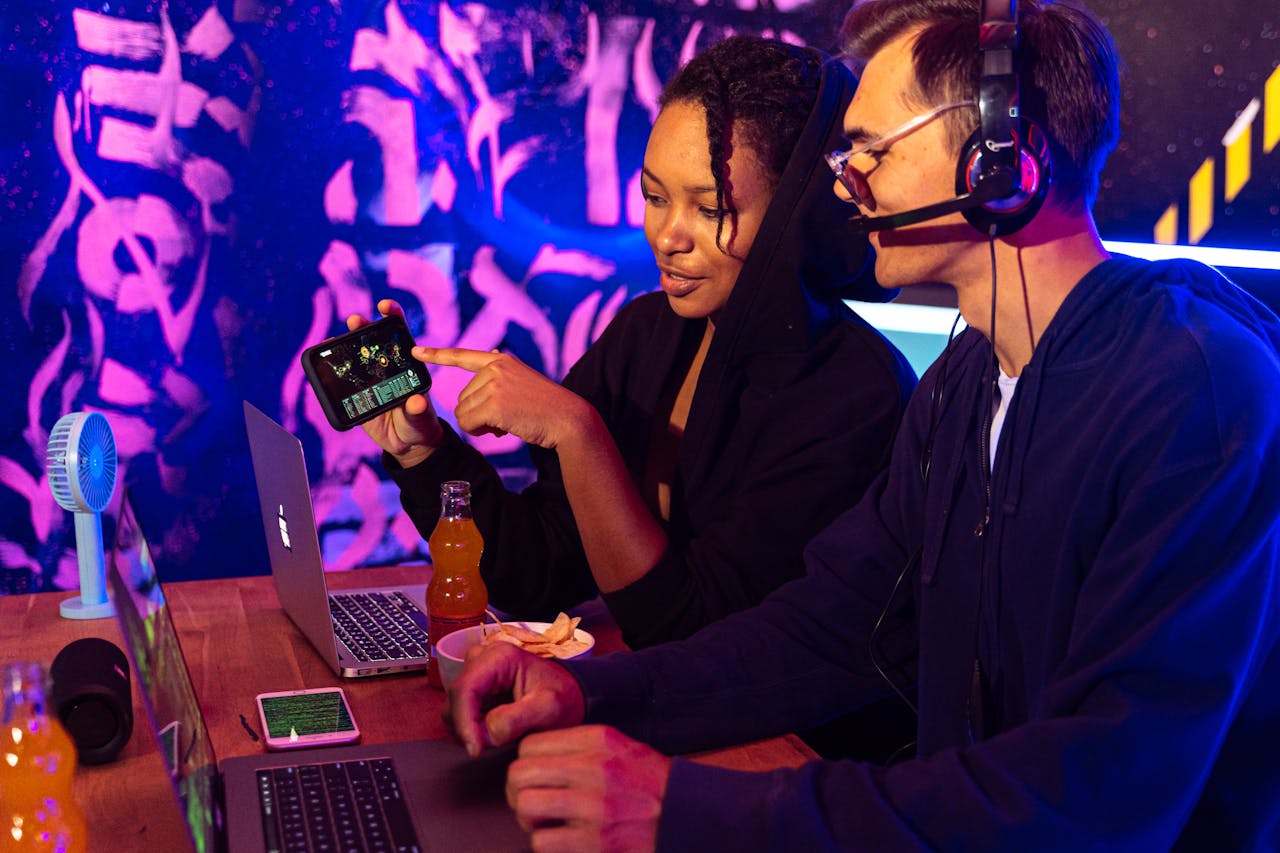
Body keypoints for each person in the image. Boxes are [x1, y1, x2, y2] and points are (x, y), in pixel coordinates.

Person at [443, 0, 1280, 849]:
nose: (846, 180)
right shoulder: (962, 383)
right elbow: (830, 625)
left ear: (1000, 162)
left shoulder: (1194, 392)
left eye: (872, 149)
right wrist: (593, 693)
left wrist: (690, 809)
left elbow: (1101, 790)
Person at [352, 36, 916, 649]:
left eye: (711, 208)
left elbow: (693, 630)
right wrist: (424, 454)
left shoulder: (856, 395)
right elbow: (537, 571)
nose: (668, 236)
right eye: (654, 197)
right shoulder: (647, 334)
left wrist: (577, 429)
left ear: (795, 215)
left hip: (783, 741)